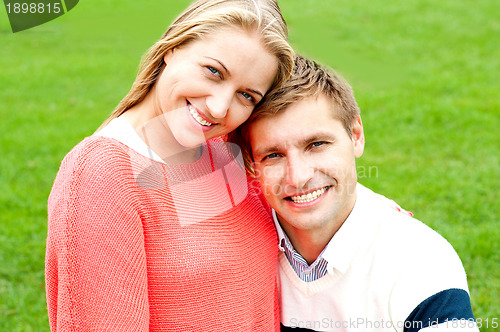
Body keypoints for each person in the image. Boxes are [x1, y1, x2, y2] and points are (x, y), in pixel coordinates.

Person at [45, 0, 294, 330]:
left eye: (246, 95)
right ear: (173, 48)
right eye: (213, 72)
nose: (220, 108)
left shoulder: (229, 151)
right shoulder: (102, 175)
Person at [229, 55, 479, 331]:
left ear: (356, 135)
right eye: (273, 155)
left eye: (316, 144)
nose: (298, 177)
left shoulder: (420, 262)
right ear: (252, 164)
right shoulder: (233, 245)